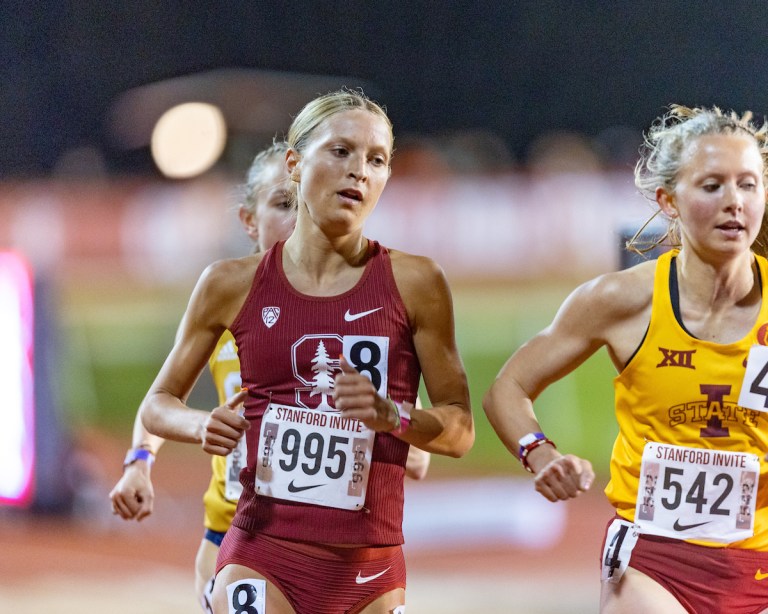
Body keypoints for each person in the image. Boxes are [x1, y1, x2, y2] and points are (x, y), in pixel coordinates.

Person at [140, 88, 472, 614]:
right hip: (262, 551)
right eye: (340, 151)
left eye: (376, 159)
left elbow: (459, 430)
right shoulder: (230, 284)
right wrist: (201, 426)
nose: (359, 171)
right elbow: (157, 405)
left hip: (372, 564)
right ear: (295, 164)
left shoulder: (418, 283)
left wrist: (394, 416)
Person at [483, 105, 768, 613]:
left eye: (748, 185)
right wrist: (541, 453)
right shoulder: (621, 300)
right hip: (654, 558)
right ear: (669, 200)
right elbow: (508, 388)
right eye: (712, 186)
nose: (734, 203)